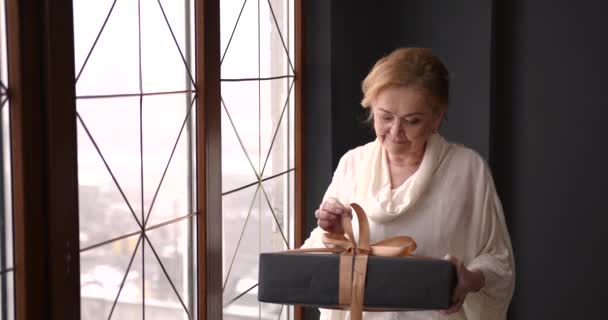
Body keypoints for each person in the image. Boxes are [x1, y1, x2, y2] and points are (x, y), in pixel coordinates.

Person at [301, 48, 515, 320]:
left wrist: (470, 279)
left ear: (437, 117)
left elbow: (497, 260)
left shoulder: (468, 170)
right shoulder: (352, 164)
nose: (395, 132)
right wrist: (333, 232)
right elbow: (321, 252)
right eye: (385, 117)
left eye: (412, 121)